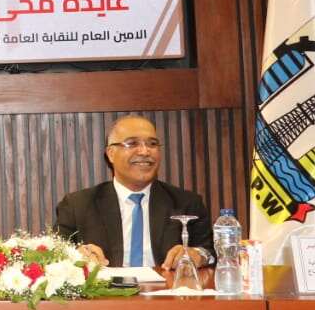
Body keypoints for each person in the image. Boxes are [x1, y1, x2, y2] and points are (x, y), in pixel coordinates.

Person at [54, 115, 212, 270]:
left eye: (152, 144)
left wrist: (198, 255)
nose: (144, 151)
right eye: (132, 143)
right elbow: (54, 254)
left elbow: (209, 250)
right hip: (107, 287)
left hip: (167, 285)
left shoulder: (186, 203)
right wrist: (76, 256)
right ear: (111, 153)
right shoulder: (77, 205)